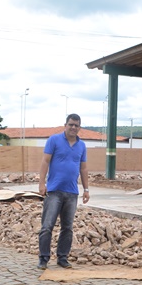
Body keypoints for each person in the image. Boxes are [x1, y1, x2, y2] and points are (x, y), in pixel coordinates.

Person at [37, 114, 90, 269]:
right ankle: (43, 258)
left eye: (76, 125)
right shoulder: (54, 140)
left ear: (79, 128)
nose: (73, 128)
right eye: (71, 124)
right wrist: (42, 183)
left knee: (67, 228)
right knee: (47, 226)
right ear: (65, 125)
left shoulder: (82, 146)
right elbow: (45, 161)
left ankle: (62, 257)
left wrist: (86, 189)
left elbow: (84, 168)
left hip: (72, 193)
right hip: (54, 191)